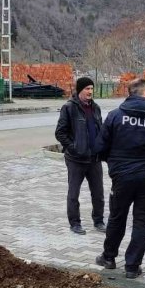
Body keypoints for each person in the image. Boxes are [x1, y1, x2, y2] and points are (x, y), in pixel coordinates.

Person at [94, 77, 145, 278]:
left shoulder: (115, 116)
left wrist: (114, 164)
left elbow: (99, 148)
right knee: (141, 222)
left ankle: (109, 257)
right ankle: (132, 266)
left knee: (117, 217)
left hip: (122, 177)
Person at [55, 76, 105, 235]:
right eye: (87, 89)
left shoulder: (96, 108)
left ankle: (99, 220)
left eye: (91, 88)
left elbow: (101, 130)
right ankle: (75, 223)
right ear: (79, 90)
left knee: (98, 193)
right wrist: (73, 147)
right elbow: (60, 133)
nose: (90, 92)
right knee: (73, 193)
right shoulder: (69, 108)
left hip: (94, 158)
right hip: (76, 159)